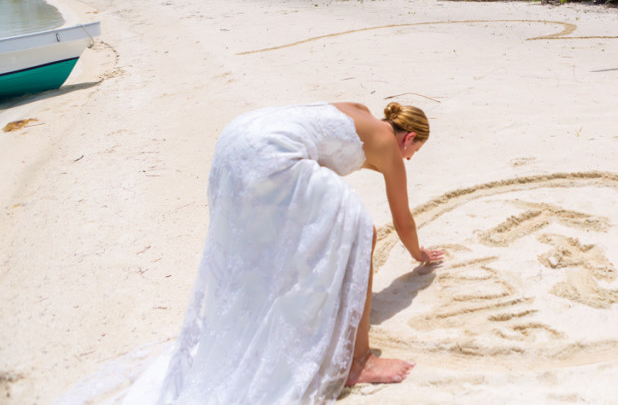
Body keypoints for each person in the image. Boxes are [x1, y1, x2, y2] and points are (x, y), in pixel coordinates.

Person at [93, 101, 443, 404]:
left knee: (302, 229)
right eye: (415, 151)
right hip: (270, 151)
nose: (409, 159)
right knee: (362, 231)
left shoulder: (362, 112)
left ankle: (275, 311)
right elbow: (403, 220)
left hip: (239, 136)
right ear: (409, 137)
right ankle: (359, 360)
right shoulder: (387, 145)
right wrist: (418, 254)